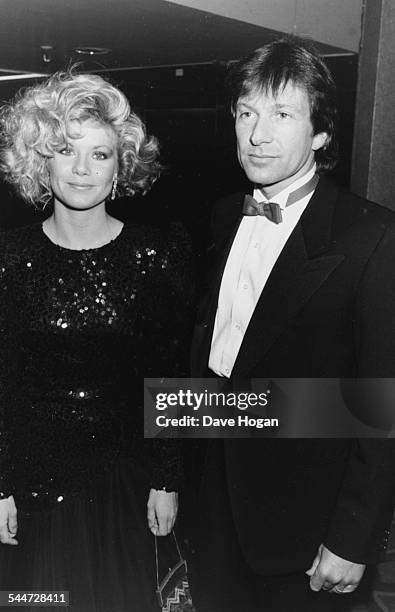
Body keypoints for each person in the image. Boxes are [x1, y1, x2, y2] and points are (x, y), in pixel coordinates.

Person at [190, 36, 395, 611]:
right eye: (247, 112)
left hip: (304, 532)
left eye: (283, 114)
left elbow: (382, 403)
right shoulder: (224, 214)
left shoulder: (374, 238)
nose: (258, 134)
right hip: (214, 510)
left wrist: (354, 539)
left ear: (321, 132)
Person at [0, 71, 191, 611]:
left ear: (120, 167)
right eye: (65, 151)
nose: (82, 170)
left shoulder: (156, 256)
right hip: (34, 487)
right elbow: (2, 383)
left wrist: (166, 478)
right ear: (41, 162)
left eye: (100, 154)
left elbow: (167, 377)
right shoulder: (8, 259)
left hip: (125, 486)